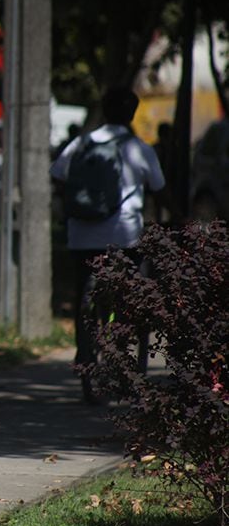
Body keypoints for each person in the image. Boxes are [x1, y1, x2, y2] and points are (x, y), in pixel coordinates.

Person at [50, 86, 166, 403]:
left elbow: (57, 174)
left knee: (84, 302)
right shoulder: (139, 149)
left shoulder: (81, 143)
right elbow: (158, 188)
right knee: (126, 303)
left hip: (82, 236)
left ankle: (87, 361)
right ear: (131, 113)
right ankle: (122, 366)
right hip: (123, 237)